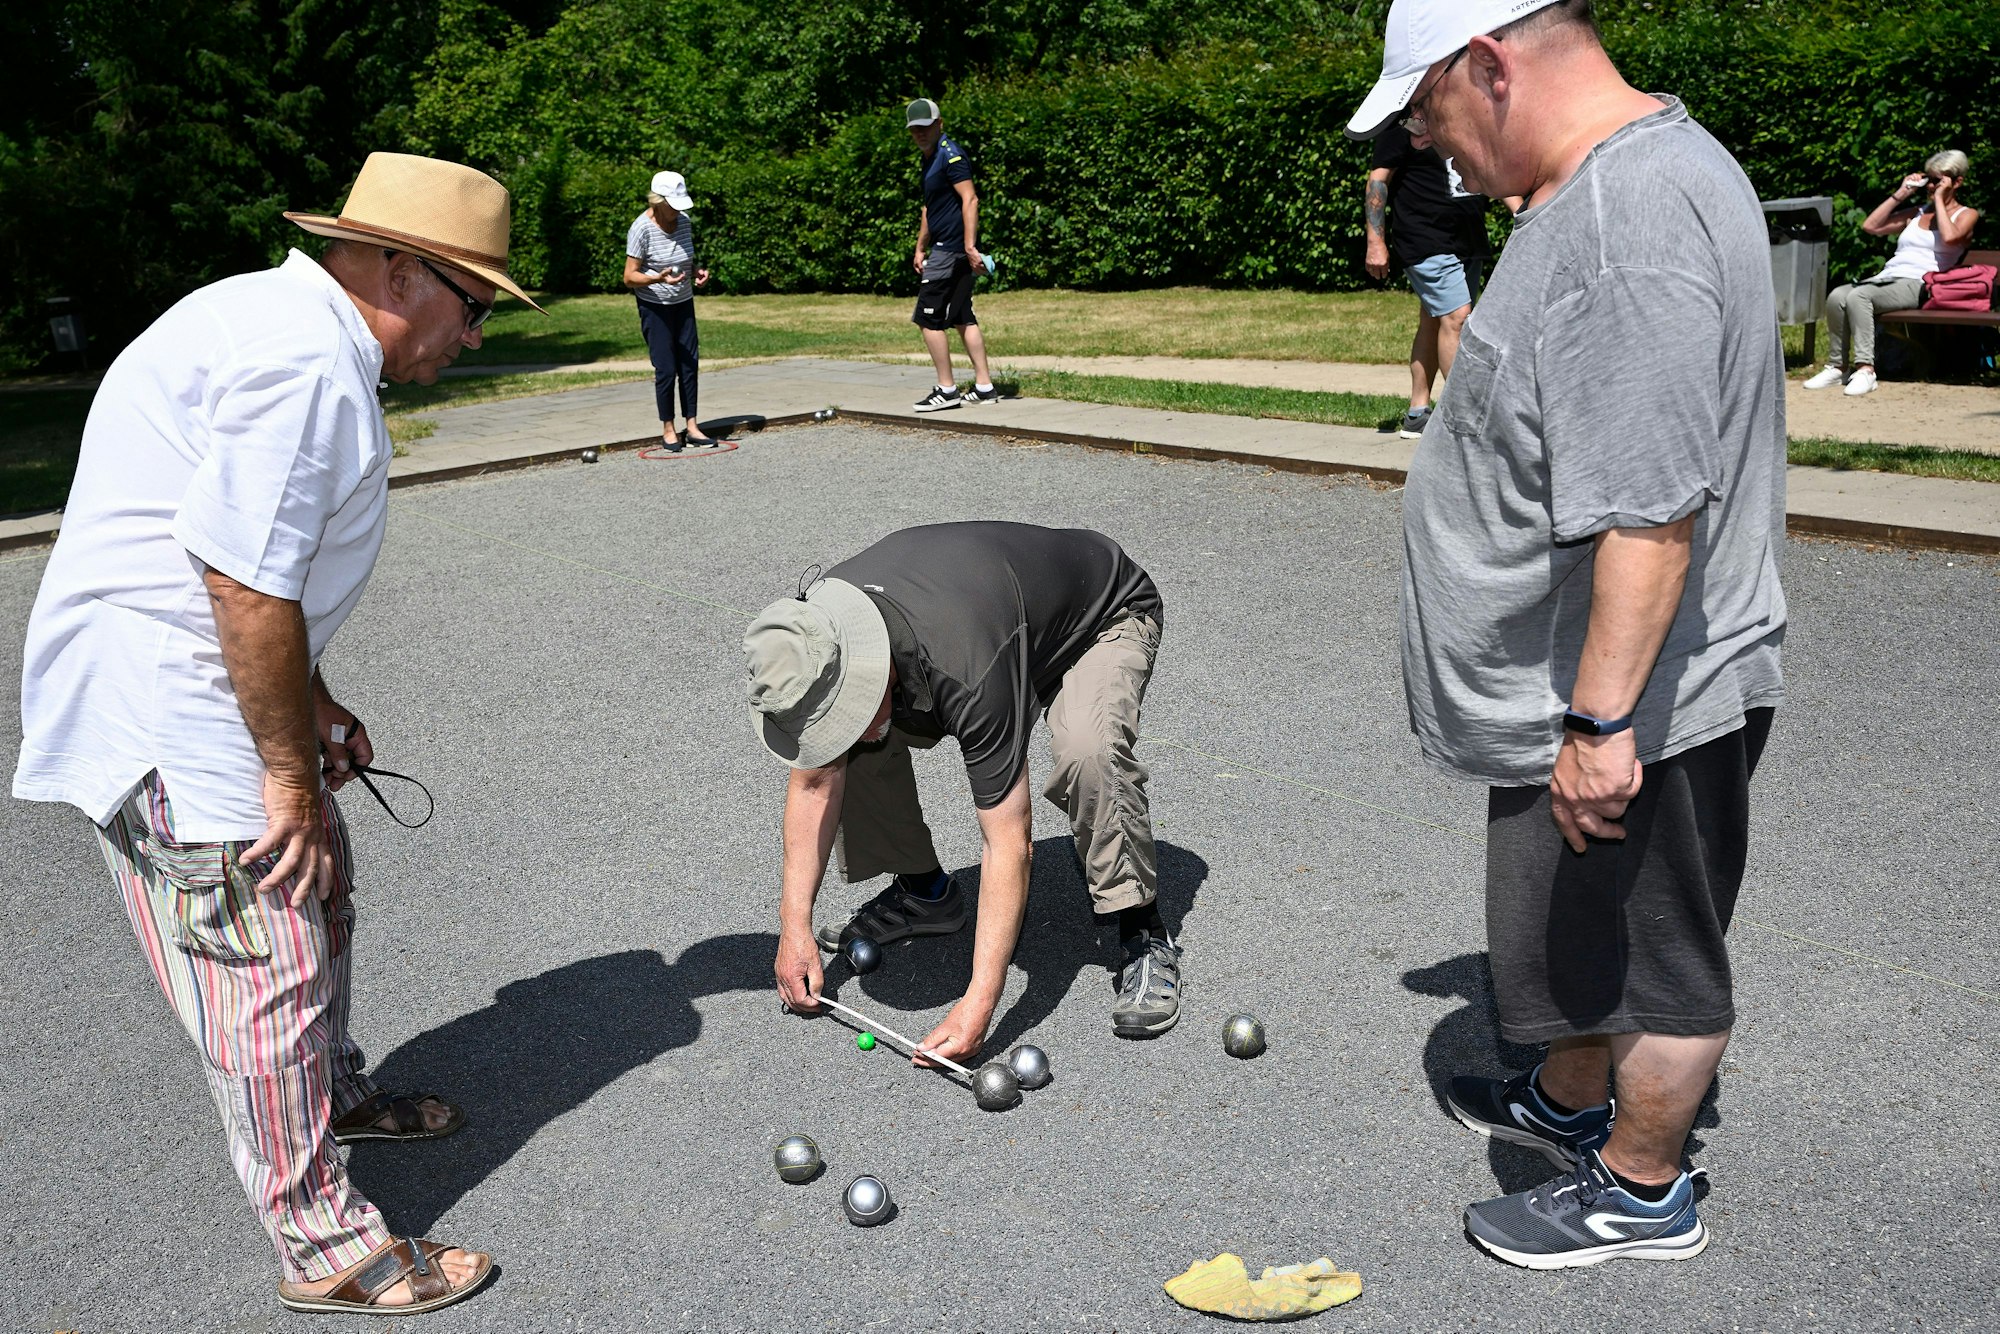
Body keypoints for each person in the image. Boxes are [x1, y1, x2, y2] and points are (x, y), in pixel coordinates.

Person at [11, 152, 544, 1315]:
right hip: (175, 712)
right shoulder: (305, 364)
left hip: (198, 687)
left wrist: (310, 704)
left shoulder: (276, 322)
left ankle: (331, 1096)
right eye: (474, 305)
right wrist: (288, 774)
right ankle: (325, 1244)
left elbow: (256, 564)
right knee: (266, 965)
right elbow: (243, 583)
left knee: (316, 890)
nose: (472, 336)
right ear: (402, 273)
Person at [1346, 0, 1787, 1269]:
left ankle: (1640, 1190)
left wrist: (1598, 723)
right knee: (1583, 919)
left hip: (1636, 690)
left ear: (1488, 65)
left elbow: (1648, 514)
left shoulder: (1618, 224)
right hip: (1591, 677)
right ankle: (1569, 1097)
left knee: (1657, 954)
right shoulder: (1626, 179)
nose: (1427, 147)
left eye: (1426, 112)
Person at [744, 523, 1173, 1062]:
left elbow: (1008, 842)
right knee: (849, 749)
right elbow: (813, 783)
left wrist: (979, 1003)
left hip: (1102, 616)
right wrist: (794, 929)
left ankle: (1141, 927)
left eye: (843, 710)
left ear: (874, 671)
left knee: (1088, 751)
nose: (837, 728)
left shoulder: (968, 669)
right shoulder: (818, 635)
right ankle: (925, 892)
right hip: (1000, 621)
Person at [1803, 151, 1979, 397]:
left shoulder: (1966, 214)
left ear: (1957, 182)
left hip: (1922, 283)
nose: (1931, 186)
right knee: (1837, 296)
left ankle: (1866, 369)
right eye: (1929, 180)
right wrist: (1902, 193)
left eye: (1938, 181)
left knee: (1859, 297)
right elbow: (1871, 226)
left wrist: (1939, 199)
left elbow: (1950, 238)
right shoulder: (1917, 212)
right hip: (1890, 277)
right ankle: (1837, 367)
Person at [1365, 122, 1501, 438]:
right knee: (1457, 319)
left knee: (1434, 320)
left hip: (1467, 239)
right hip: (1424, 237)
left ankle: (1417, 413)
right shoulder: (1401, 124)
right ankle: (1463, 419)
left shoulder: (1458, 115)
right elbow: (1378, 181)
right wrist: (1375, 241)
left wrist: (1523, 212)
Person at [904, 98, 997, 413]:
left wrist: (970, 247)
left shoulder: (950, 154)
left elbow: (970, 199)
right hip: (944, 246)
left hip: (951, 248)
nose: (920, 133)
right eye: (915, 129)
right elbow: (929, 207)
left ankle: (947, 389)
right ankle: (984, 387)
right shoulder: (929, 158)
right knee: (960, 315)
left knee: (928, 319)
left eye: (926, 126)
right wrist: (920, 246)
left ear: (939, 124)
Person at [623, 170, 718, 449]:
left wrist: (696, 271)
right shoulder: (641, 229)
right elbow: (629, 277)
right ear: (658, 201)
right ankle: (668, 429)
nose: (677, 211)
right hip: (655, 308)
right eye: (672, 205)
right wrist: (658, 278)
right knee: (666, 369)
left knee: (689, 364)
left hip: (683, 302)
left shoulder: (684, 222)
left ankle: (692, 426)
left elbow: (685, 258)